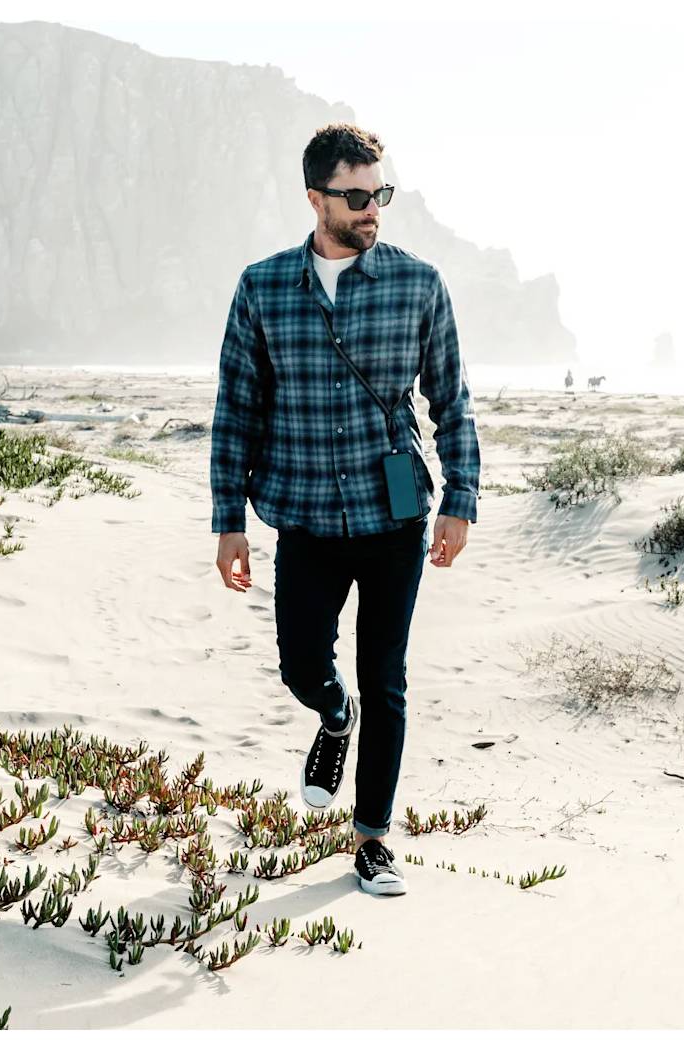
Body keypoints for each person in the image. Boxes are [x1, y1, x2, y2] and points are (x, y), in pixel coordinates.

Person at [208, 123, 480, 897]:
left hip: (394, 518)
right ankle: (333, 716)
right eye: (356, 196)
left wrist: (459, 498)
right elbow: (236, 408)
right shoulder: (262, 287)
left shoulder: (418, 284)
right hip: (304, 518)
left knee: (385, 678)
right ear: (315, 199)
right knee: (302, 666)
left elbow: (451, 401)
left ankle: (372, 840)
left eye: (379, 193)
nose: (371, 209)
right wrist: (228, 519)